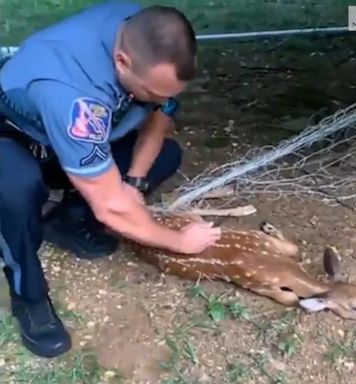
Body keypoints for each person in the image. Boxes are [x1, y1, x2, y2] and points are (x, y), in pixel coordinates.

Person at [0, 1, 222, 359]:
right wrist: (179, 242)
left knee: (165, 155)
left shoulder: (143, 30)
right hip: (14, 137)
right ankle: (29, 295)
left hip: (68, 138)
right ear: (121, 61)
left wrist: (132, 183)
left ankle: (67, 220)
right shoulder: (74, 97)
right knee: (15, 189)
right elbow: (110, 208)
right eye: (153, 92)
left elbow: (159, 116)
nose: (163, 102)